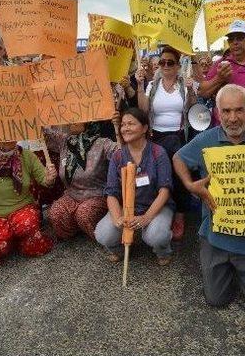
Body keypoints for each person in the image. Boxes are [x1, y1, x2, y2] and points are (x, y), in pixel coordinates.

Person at [173, 84, 245, 310]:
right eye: (226, 111)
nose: (233, 118)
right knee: (216, 300)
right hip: (217, 233)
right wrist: (189, 184)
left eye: (239, 110)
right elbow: (178, 158)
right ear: (217, 112)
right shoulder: (206, 140)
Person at [95, 107, 175, 266]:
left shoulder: (158, 153)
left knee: (156, 235)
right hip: (128, 207)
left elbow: (164, 191)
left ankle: (162, 250)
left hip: (156, 207)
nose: (125, 128)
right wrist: (118, 218)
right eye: (123, 124)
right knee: (103, 234)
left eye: (131, 124)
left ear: (145, 128)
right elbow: (111, 193)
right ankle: (120, 247)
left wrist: (146, 218)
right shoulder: (118, 156)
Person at [136, 46, 195, 241]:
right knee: (160, 175)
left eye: (170, 62)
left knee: (178, 176)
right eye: (162, 62)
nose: (166, 65)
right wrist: (139, 84)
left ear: (178, 65)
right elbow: (143, 110)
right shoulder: (153, 85)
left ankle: (179, 214)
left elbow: (193, 108)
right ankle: (162, 210)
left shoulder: (184, 84)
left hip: (179, 136)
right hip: (156, 136)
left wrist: (189, 89)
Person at [44, 123, 118, 241]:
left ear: (88, 122)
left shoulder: (103, 143)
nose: (71, 122)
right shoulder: (65, 141)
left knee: (84, 213)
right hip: (71, 195)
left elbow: (122, 153)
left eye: (77, 119)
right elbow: (44, 134)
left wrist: (117, 125)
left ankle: (103, 235)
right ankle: (76, 230)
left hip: (97, 195)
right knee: (55, 213)